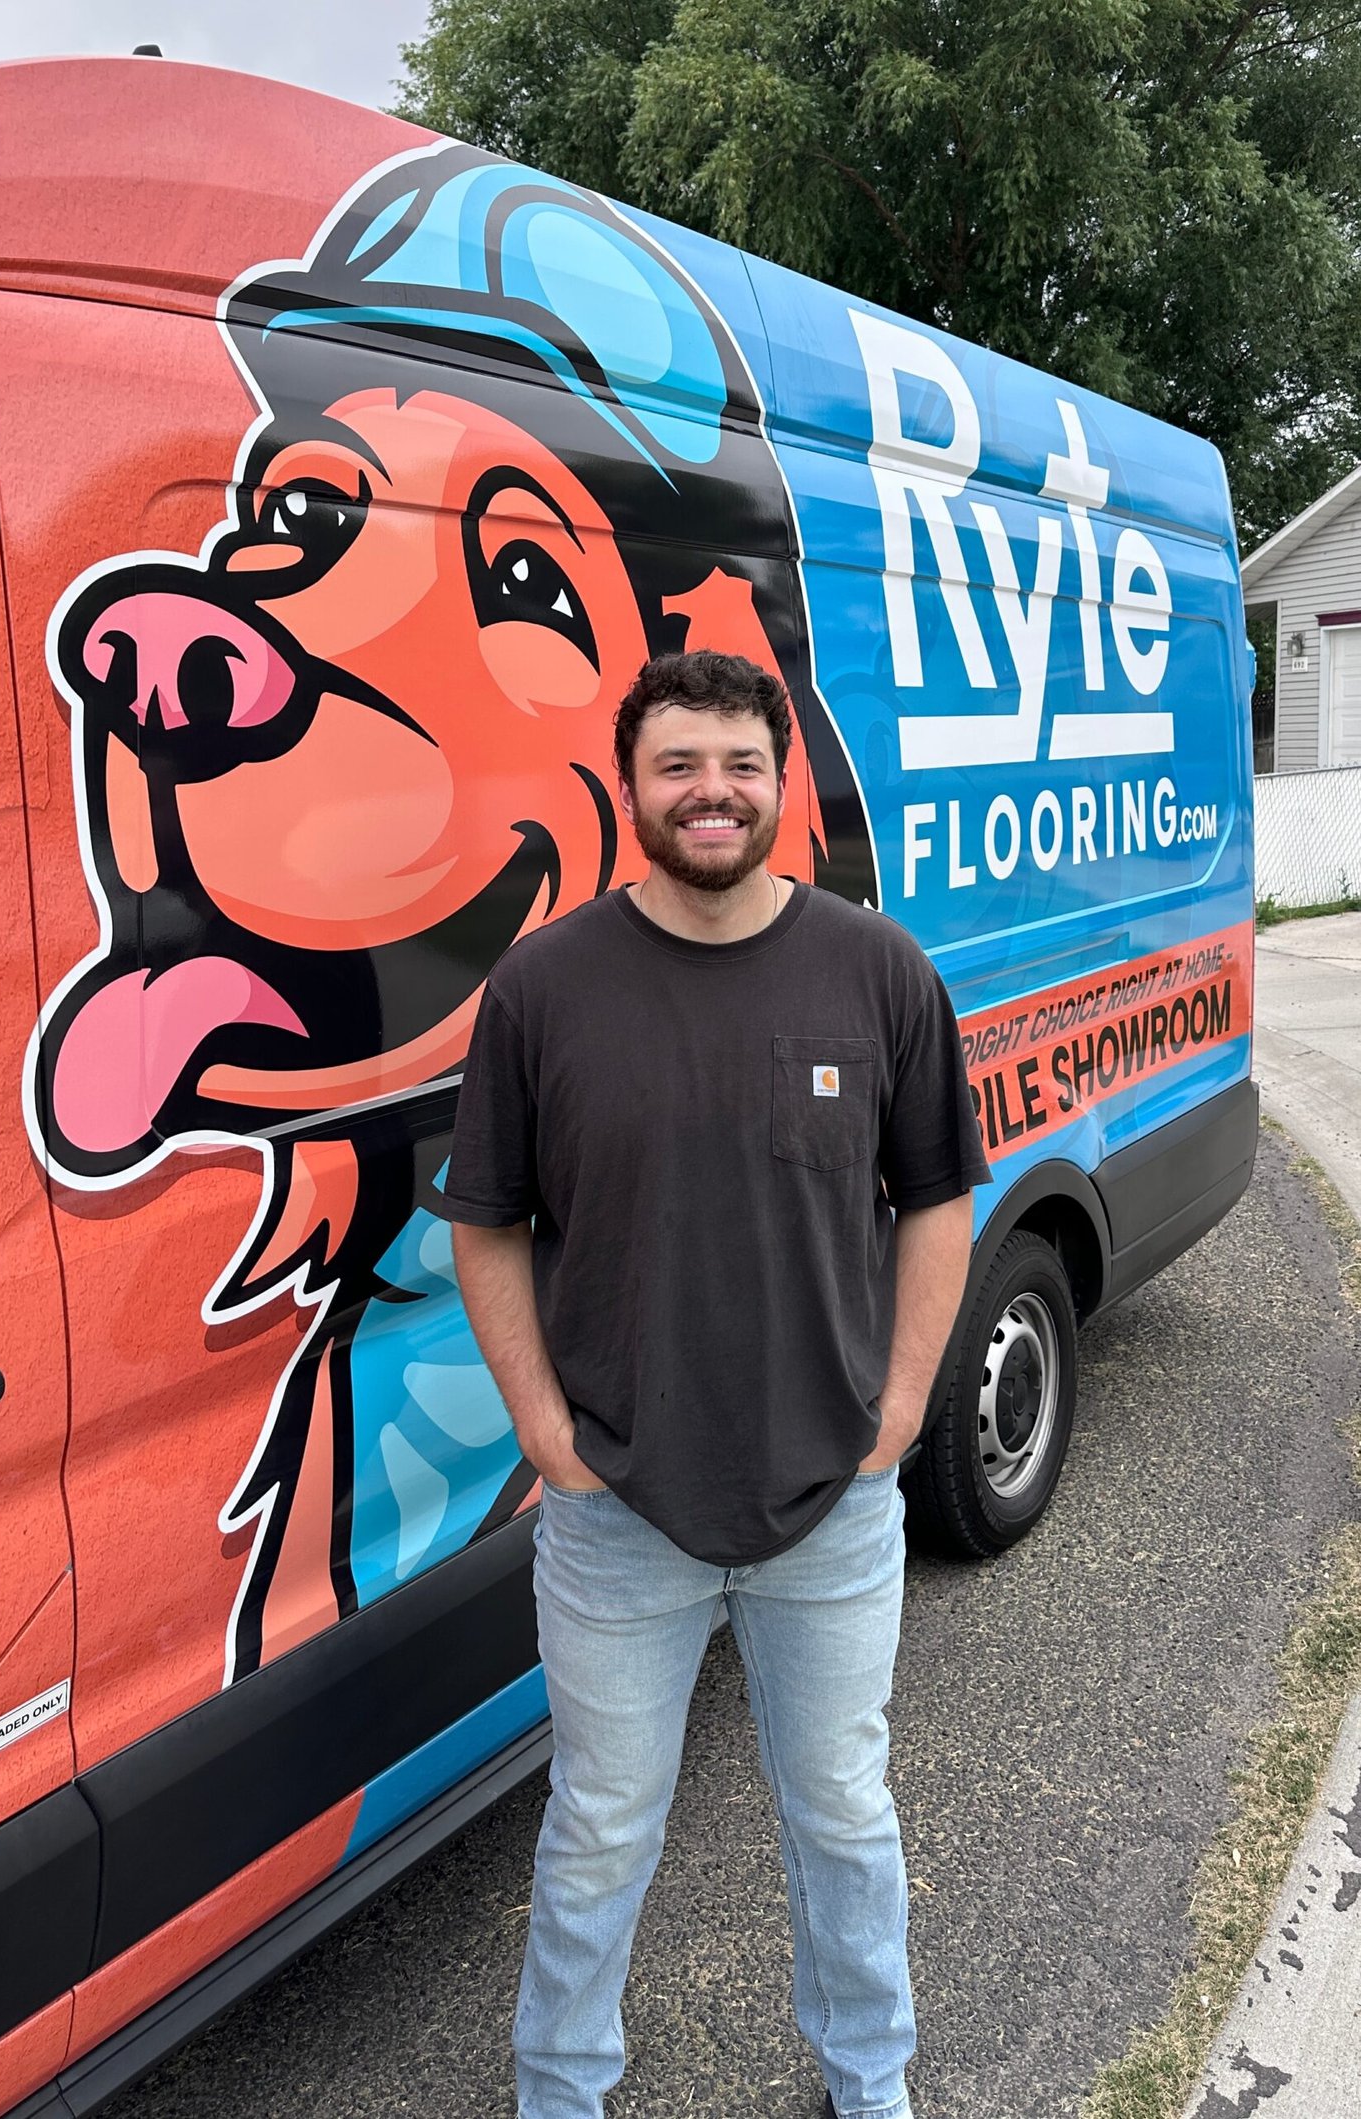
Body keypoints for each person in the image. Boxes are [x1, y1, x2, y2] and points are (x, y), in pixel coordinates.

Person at [442, 649, 991, 2119]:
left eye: (742, 763)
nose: (713, 791)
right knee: (600, 1829)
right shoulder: (543, 985)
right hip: (616, 1508)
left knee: (844, 1815)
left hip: (833, 1501)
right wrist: (545, 1429)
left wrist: (899, 1407)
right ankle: (560, 2092)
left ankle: (870, 2081)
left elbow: (938, 1196)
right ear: (629, 786)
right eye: (678, 764)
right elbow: (484, 1220)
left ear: (781, 783)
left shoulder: (876, 968)